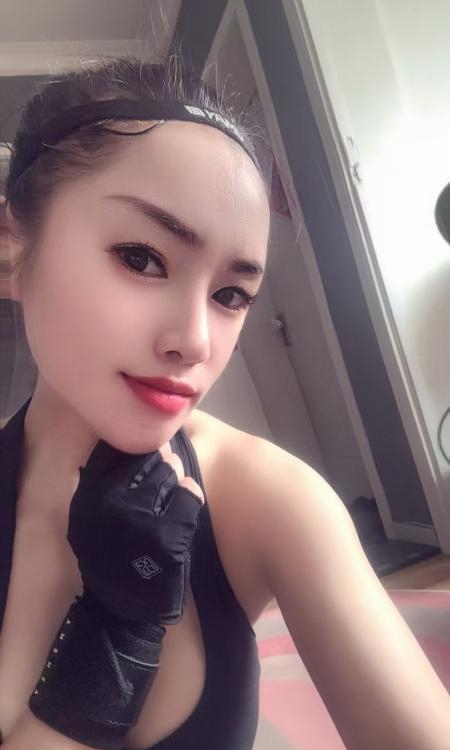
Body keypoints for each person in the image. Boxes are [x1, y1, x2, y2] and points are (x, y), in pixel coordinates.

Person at [0, 56, 449, 750]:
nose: (195, 341)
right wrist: (114, 637)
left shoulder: (271, 499)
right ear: (11, 247)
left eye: (231, 295)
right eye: (142, 258)